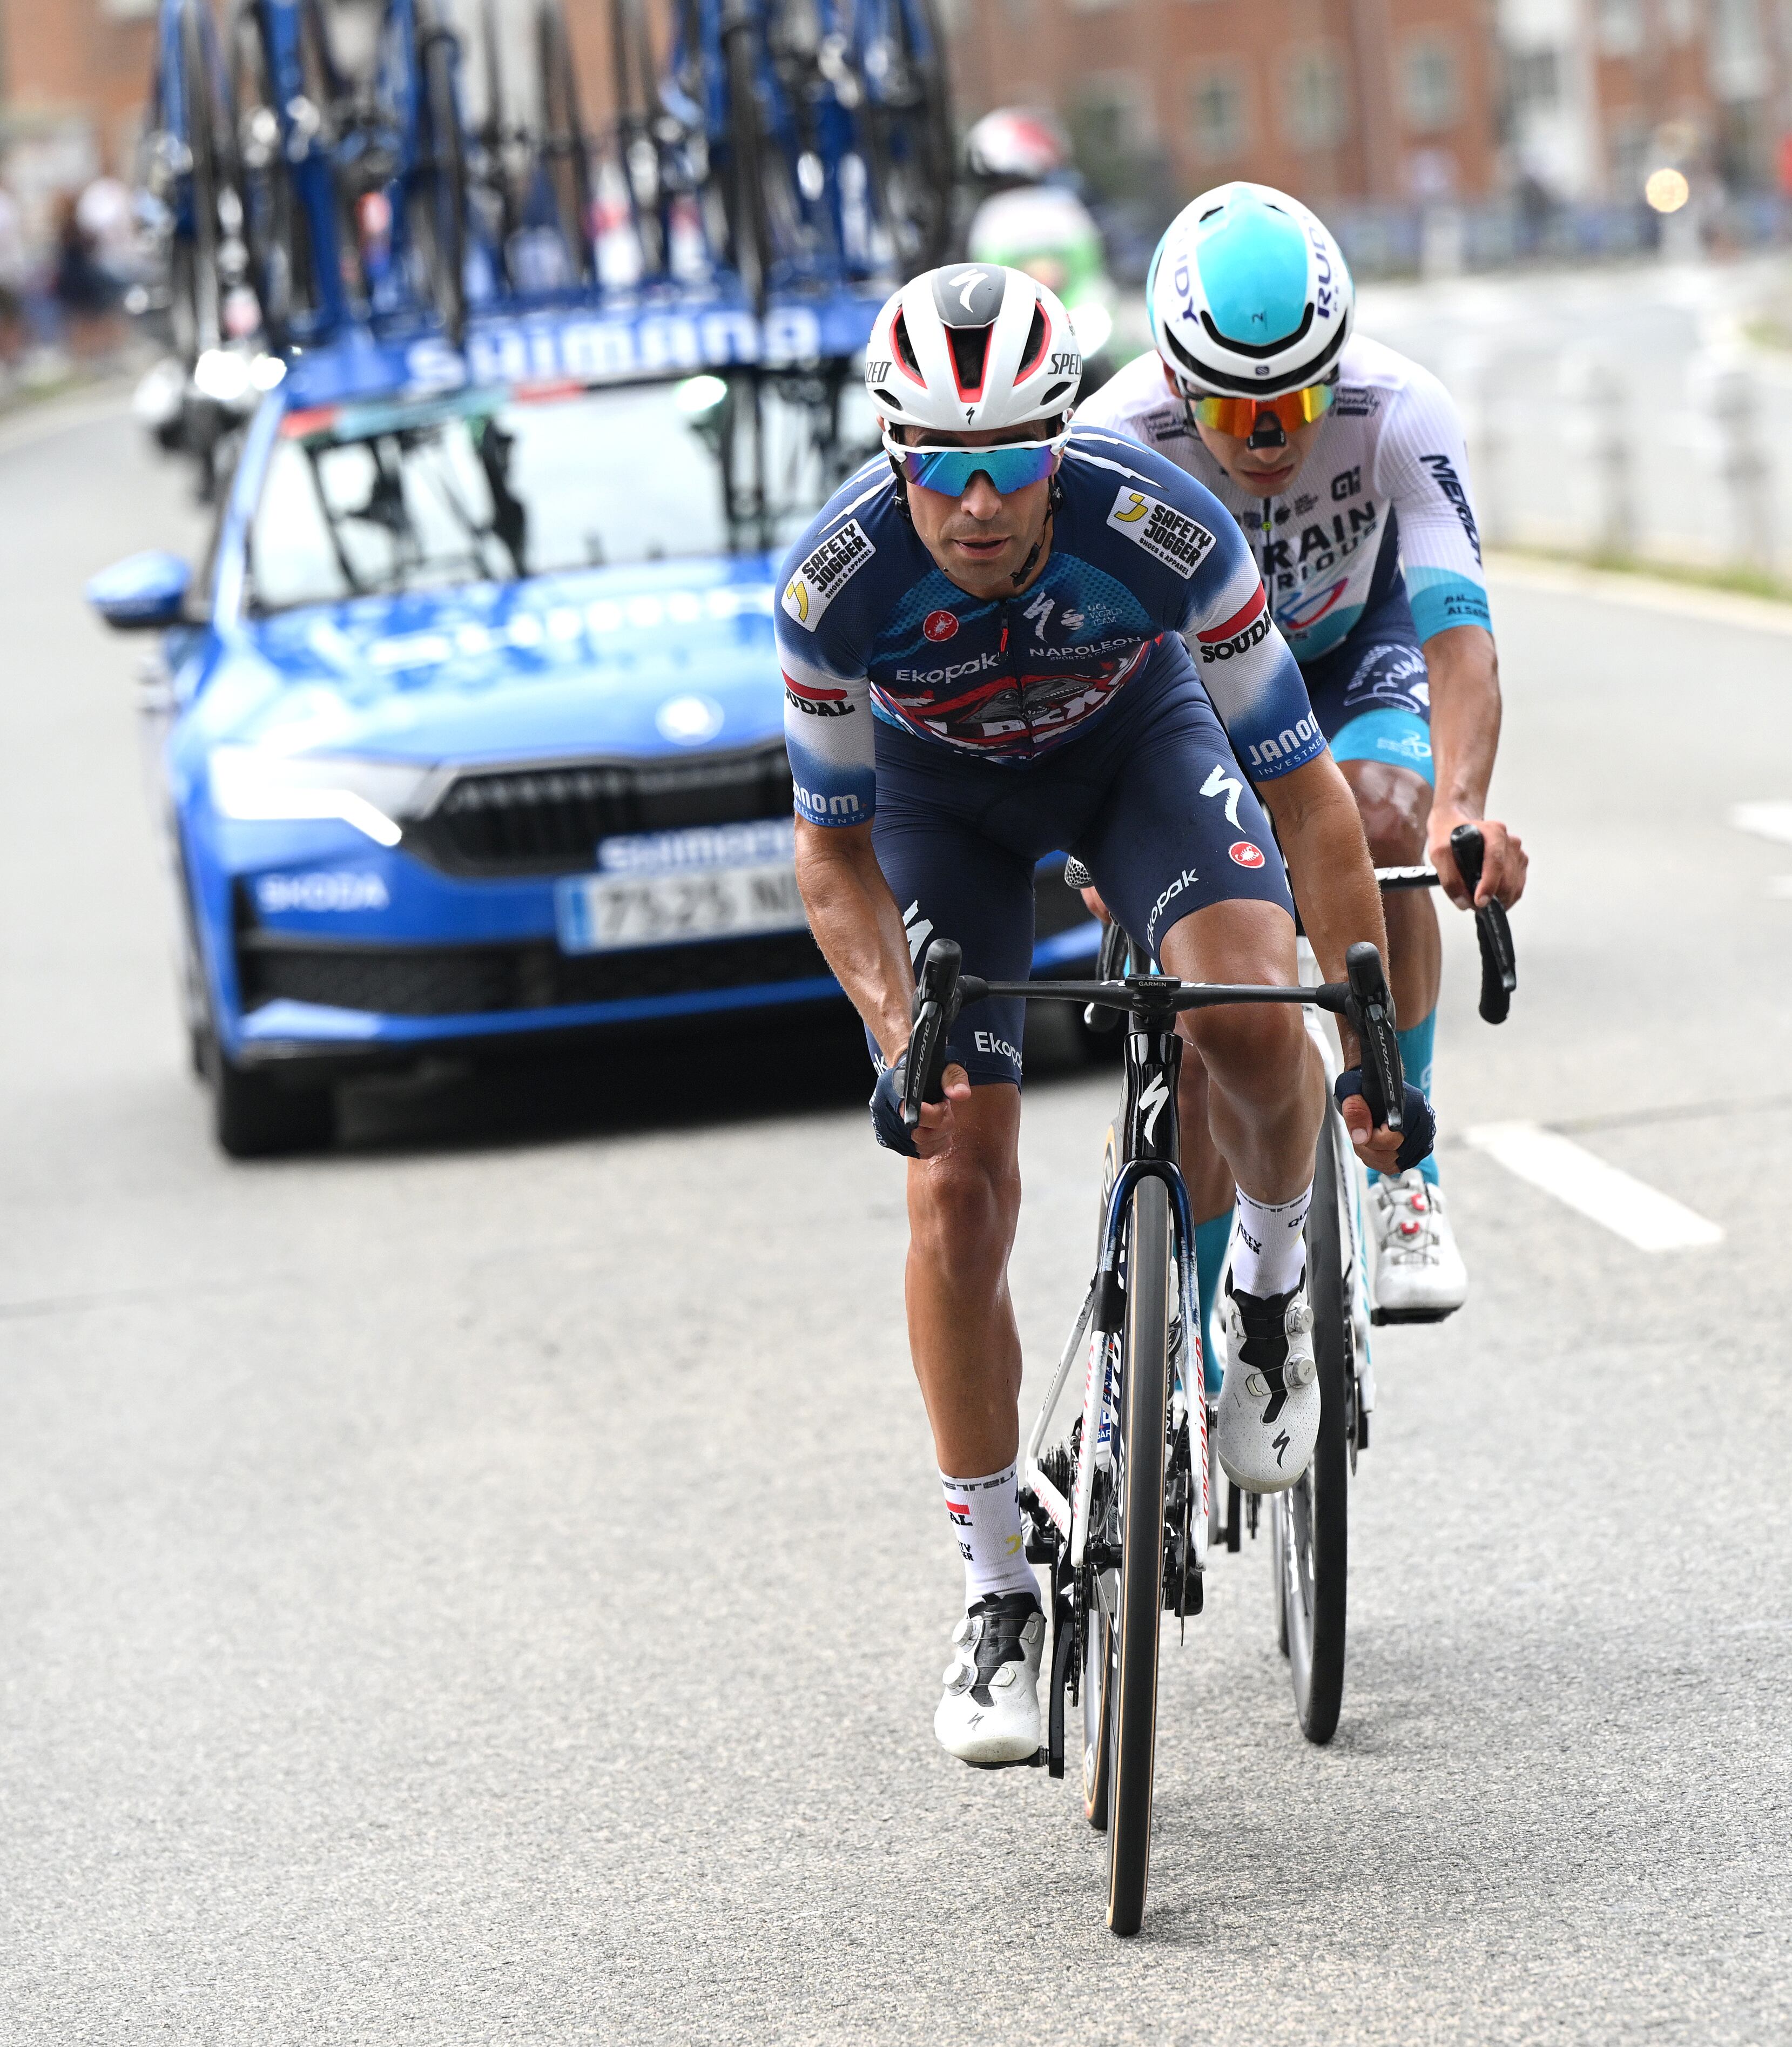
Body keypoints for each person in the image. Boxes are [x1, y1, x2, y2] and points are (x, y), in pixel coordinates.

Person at [776, 262, 1432, 1766]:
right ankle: (997, 1584)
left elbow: (1303, 789)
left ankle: (1261, 1304)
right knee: (954, 1182)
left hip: (1133, 754)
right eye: (943, 470)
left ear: (1060, 444)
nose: (981, 501)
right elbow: (829, 849)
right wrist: (897, 1034)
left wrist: (1369, 1028)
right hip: (943, 809)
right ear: (894, 457)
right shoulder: (833, 586)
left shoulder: (1165, 525)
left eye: (1013, 460)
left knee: (1250, 1019)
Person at [1077, 183, 1527, 1341]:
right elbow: (1097, 665)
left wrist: (1459, 808)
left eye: (1298, 401)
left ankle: (1401, 1163)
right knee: (1208, 999)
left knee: (1384, 823)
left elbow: (1460, 634)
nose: (1270, 439)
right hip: (1195, 683)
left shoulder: (1399, 406)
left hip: (1348, 644)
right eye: (1234, 413)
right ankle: (1199, 1328)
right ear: (1177, 382)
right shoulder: (1118, 438)